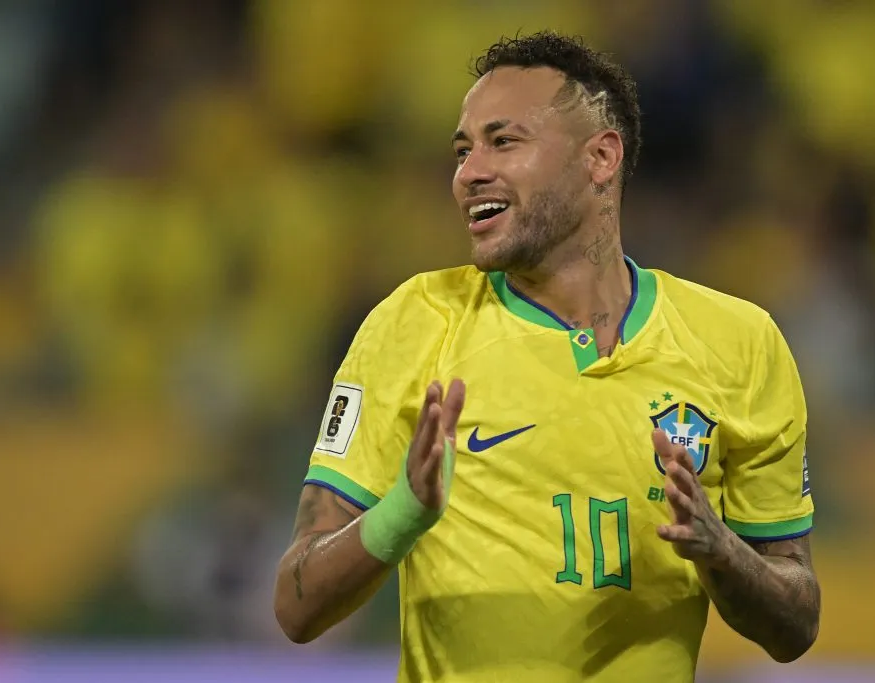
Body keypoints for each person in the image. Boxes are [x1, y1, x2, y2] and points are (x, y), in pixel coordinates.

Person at [273, 30, 820, 682]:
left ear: (600, 158)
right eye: (462, 150)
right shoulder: (414, 324)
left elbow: (796, 623)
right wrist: (401, 513)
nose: (469, 172)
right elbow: (294, 604)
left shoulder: (740, 344)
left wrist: (723, 552)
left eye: (504, 141)